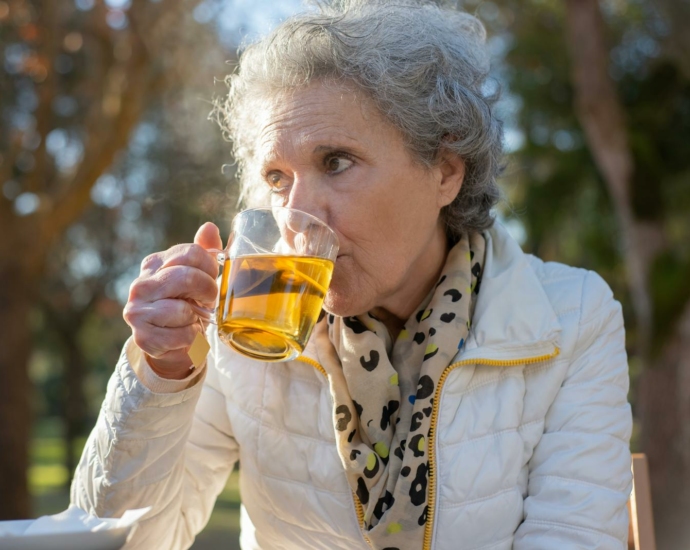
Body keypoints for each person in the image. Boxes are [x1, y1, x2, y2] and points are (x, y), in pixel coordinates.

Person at [71, 1, 633, 549]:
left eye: (335, 162)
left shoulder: (574, 316)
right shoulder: (240, 325)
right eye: (277, 176)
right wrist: (161, 375)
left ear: (445, 171)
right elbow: (122, 541)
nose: (299, 212)